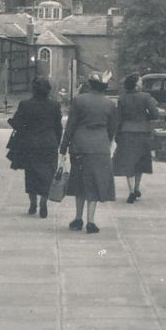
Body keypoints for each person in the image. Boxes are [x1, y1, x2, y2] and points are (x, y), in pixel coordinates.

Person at [60, 75, 119, 233]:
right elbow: (113, 128)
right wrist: (107, 142)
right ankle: (91, 221)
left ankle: (78, 218)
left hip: (80, 146)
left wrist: (63, 147)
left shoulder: (79, 100)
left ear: (90, 84)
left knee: (80, 182)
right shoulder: (110, 104)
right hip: (100, 147)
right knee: (95, 182)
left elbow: (70, 126)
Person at [6, 76, 62, 218]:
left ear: (34, 90)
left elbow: (18, 123)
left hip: (30, 143)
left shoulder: (25, 104)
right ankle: (44, 200)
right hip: (49, 143)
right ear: (48, 90)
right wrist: (57, 142)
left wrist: (12, 121)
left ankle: (33, 203)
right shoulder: (55, 106)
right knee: (48, 173)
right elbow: (58, 127)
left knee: (31, 174)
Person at [113, 73, 162, 204]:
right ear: (135, 84)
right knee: (140, 162)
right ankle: (136, 188)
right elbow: (155, 114)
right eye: (140, 81)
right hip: (142, 132)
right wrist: (146, 117)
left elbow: (119, 119)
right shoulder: (145, 97)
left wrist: (117, 135)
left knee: (129, 162)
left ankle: (131, 191)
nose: (141, 83)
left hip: (126, 132)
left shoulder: (122, 98)